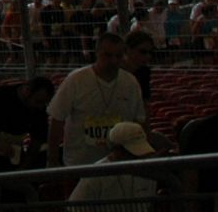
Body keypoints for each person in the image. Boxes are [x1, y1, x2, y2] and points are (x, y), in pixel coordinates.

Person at [48, 32, 146, 167]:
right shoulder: (76, 80)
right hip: (80, 163)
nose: (113, 61)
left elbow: (139, 120)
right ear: (97, 53)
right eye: (107, 55)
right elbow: (57, 119)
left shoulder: (130, 82)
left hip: (119, 163)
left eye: (118, 56)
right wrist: (52, 159)